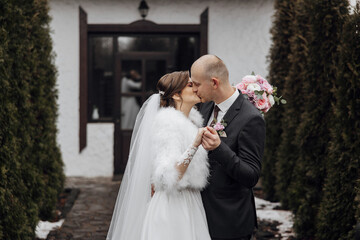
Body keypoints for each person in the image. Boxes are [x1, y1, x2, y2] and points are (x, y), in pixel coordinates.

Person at [106, 71, 211, 240]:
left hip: (191, 201)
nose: (196, 88)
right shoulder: (168, 123)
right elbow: (167, 175)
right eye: (191, 85)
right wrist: (194, 145)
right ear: (176, 95)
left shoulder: (191, 123)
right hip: (173, 206)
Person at [190, 55, 266, 240]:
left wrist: (219, 149)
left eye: (197, 84)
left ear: (214, 82)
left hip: (230, 222)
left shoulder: (251, 118)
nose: (193, 89)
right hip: (200, 217)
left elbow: (251, 176)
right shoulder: (205, 107)